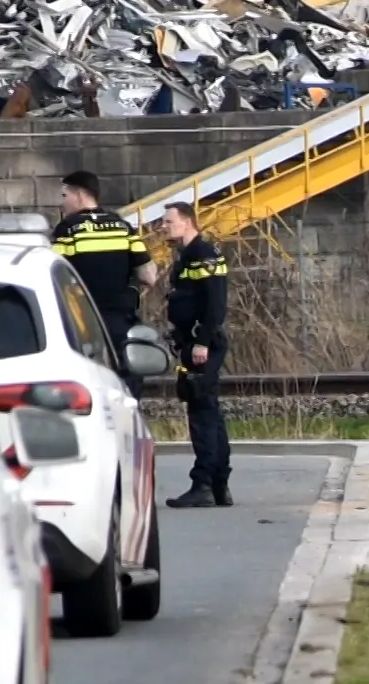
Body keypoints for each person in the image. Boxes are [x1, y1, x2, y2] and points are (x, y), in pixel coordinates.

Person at [50, 170, 155, 397]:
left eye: (64, 196)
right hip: (121, 319)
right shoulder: (123, 227)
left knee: (93, 385)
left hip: (85, 321)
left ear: (79, 195)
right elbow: (149, 275)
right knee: (127, 384)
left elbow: (54, 277)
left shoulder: (67, 230)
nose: (62, 203)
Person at [159, 201, 232, 508]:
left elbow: (215, 303)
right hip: (191, 341)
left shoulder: (205, 254)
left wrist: (201, 341)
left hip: (203, 343)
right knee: (209, 412)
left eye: (168, 222)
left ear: (187, 222)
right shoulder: (187, 257)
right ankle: (218, 484)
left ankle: (203, 483)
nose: (163, 227)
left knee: (202, 414)